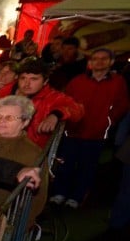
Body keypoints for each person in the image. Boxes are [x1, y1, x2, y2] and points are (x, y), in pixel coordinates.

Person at [51, 47, 129, 208]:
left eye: (103, 59)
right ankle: (60, 192)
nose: (99, 62)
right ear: (89, 62)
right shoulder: (78, 80)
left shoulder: (117, 82)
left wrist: (108, 121)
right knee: (66, 164)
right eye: (95, 59)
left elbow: (122, 105)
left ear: (111, 62)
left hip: (97, 134)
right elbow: (65, 100)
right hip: (73, 131)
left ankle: (77, 196)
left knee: (88, 167)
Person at [0, 94, 48, 225]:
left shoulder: (34, 154)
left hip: (6, 219)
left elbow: (38, 198)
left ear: (25, 122)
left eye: (9, 118)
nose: (1, 121)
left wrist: (22, 225)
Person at [0, 57, 84, 148]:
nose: (27, 84)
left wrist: (56, 114)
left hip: (32, 151)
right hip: (0, 143)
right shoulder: (5, 92)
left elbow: (77, 110)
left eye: (34, 79)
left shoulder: (52, 97)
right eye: (23, 78)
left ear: (45, 81)